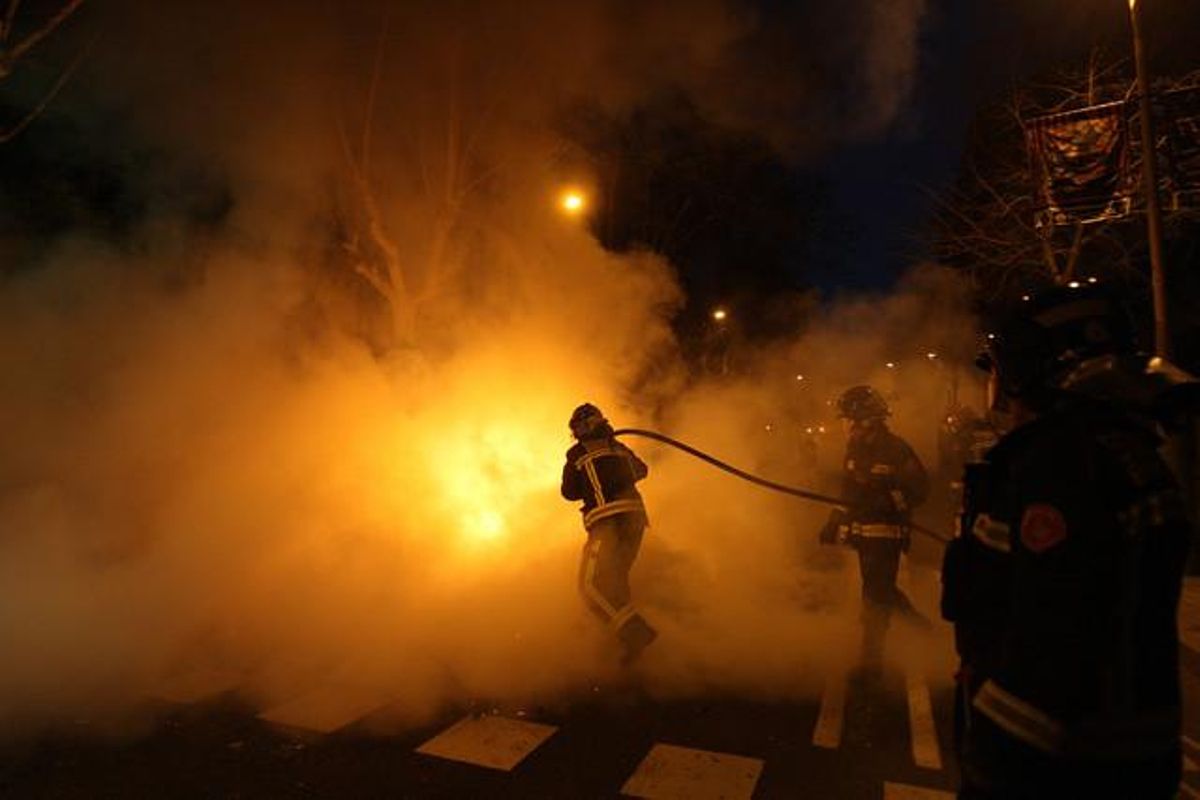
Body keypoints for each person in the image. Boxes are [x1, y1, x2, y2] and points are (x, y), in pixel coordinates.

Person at [940, 284, 1194, 798]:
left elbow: (1052, 638)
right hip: (1132, 758)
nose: (998, 387)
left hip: (1055, 767)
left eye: (1001, 368)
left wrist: (995, 762)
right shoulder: (1126, 455)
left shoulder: (1062, 467)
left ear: (1031, 368)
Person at [820, 385, 931, 666]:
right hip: (864, 534)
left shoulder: (896, 449)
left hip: (888, 533)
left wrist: (890, 497)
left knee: (875, 597)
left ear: (867, 419)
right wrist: (834, 520)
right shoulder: (854, 449)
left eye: (850, 419)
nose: (846, 426)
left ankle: (872, 662)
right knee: (879, 591)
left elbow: (921, 490)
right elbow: (847, 491)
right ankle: (919, 628)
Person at [561, 403, 658, 665]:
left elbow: (568, 492)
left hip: (607, 522)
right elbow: (642, 471)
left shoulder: (576, 453)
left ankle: (635, 633)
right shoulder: (619, 448)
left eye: (580, 426)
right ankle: (623, 647)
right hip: (635, 521)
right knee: (615, 583)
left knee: (590, 585)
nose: (579, 432)